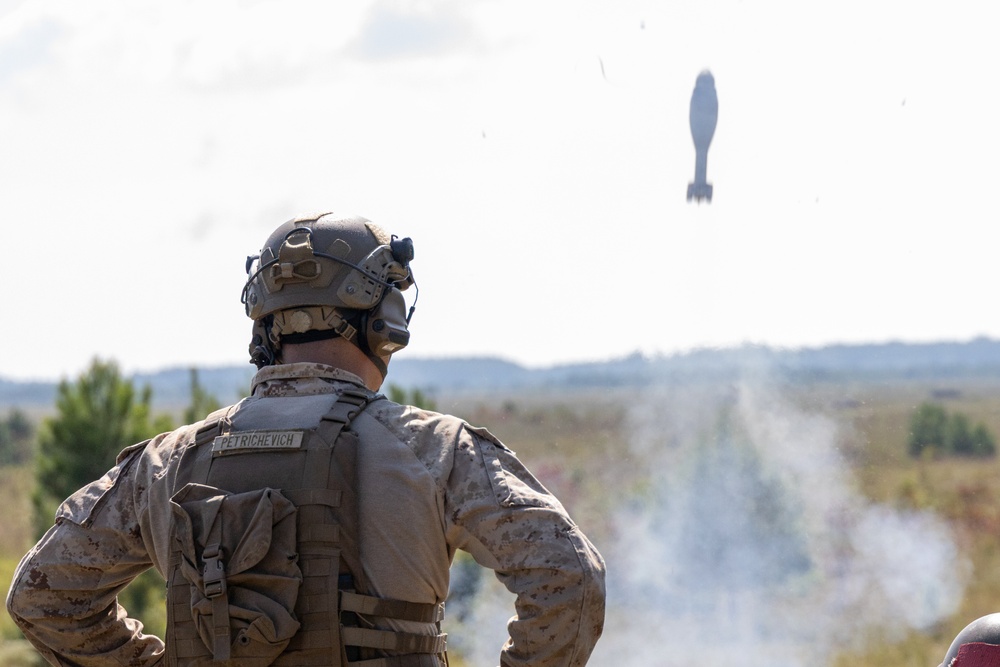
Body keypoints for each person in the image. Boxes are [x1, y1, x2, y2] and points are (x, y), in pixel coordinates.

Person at [7, 212, 607, 666]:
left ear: (265, 328)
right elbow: (568, 577)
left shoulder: (165, 463)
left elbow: (43, 597)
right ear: (384, 323)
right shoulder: (434, 450)